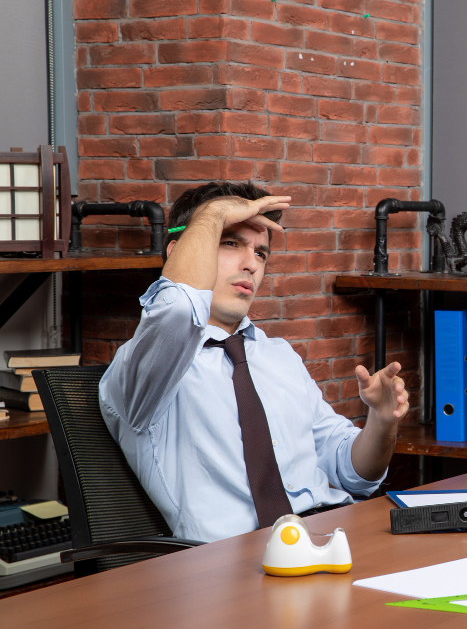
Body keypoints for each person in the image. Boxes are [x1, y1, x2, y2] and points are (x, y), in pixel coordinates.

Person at [100, 182, 409, 542]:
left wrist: (383, 421)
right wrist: (212, 215)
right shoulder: (149, 368)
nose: (251, 264)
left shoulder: (278, 356)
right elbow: (180, 307)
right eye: (231, 243)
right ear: (178, 252)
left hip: (329, 538)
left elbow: (355, 474)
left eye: (261, 254)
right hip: (230, 566)